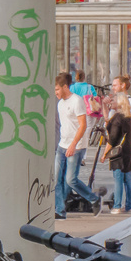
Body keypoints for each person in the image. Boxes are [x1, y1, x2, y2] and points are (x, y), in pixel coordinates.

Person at [53, 72, 101, 218]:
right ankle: (60, 210)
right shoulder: (60, 103)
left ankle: (94, 198)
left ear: (65, 87)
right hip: (62, 144)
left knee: (70, 180)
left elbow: (82, 125)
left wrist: (73, 145)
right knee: (57, 179)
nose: (55, 93)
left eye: (57, 89)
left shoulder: (77, 101)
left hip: (77, 145)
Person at [99, 91, 131, 214]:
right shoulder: (129, 117)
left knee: (118, 179)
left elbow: (112, 139)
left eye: (113, 100)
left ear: (119, 103)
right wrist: (104, 106)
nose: (112, 102)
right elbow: (107, 119)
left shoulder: (117, 118)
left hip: (118, 153)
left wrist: (104, 154)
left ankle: (117, 205)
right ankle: (129, 205)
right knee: (127, 179)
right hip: (128, 150)